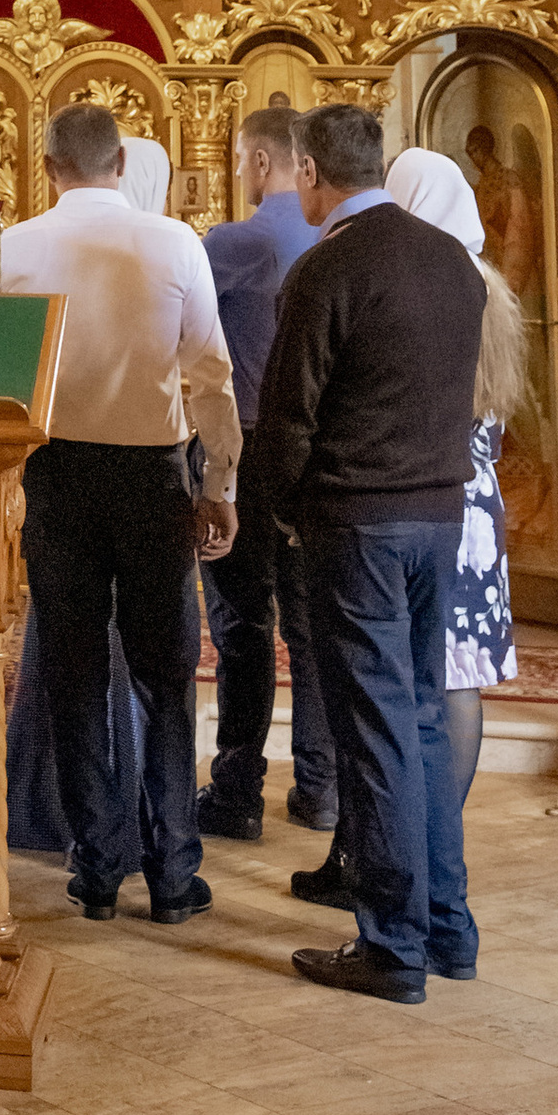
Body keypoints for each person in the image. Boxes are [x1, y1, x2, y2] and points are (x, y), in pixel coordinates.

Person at [254, 104, 487, 1005]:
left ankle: (392, 947)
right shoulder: (451, 263)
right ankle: (448, 930)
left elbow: (289, 417)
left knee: (380, 729)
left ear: (310, 171)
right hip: (440, 516)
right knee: (423, 719)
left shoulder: (328, 269)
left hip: (358, 522)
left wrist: (277, 512)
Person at [1, 106, 239, 924]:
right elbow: (211, 376)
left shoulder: (12, 248)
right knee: (165, 676)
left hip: (55, 477)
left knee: (72, 675)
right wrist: (222, 487)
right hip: (152, 481)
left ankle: (96, 868)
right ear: (119, 162)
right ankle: (174, 872)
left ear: (49, 164)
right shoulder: (175, 243)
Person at [198, 105, 335, 840]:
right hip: (317, 452)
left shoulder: (233, 241)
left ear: (257, 161)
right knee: (311, 623)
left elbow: (186, 336)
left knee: (243, 622)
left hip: (245, 447)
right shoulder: (331, 235)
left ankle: (238, 790)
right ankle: (319, 788)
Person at [386, 152, 526, 793]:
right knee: (460, 667)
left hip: (424, 486)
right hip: (478, 499)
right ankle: (449, 821)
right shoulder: (492, 288)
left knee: (415, 666)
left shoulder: (420, 282)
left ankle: (421, 822)